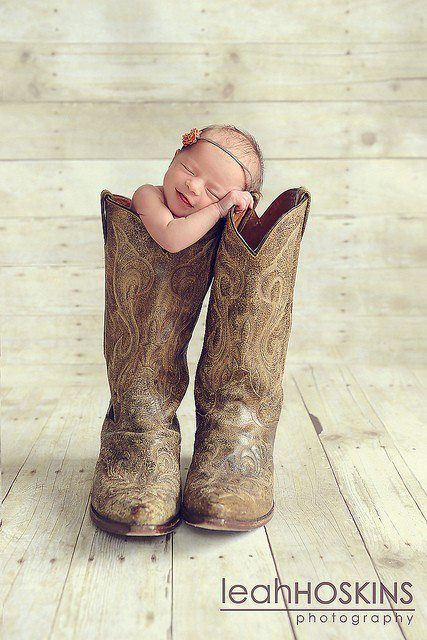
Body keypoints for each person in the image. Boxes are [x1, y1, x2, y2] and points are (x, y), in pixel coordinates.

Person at [131, 124, 264, 252]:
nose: (193, 186)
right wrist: (218, 209)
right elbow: (170, 238)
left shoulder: (218, 221)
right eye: (188, 170)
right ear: (174, 158)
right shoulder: (147, 196)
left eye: (212, 192)